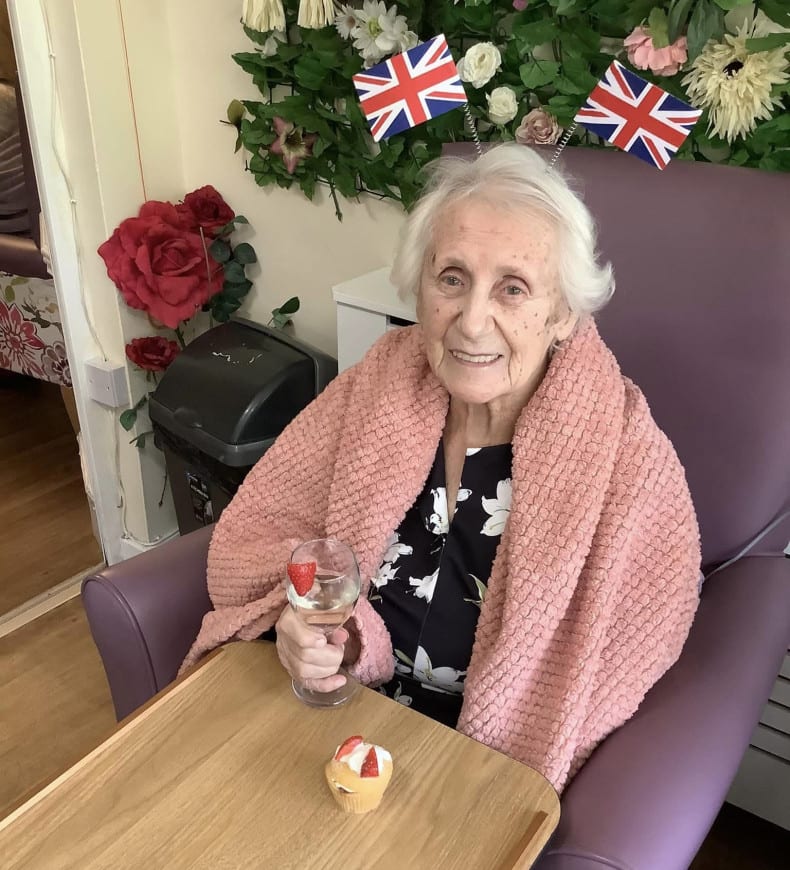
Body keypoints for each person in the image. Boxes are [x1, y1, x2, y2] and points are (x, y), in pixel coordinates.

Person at [181, 144, 701, 792]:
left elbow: (637, 640)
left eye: (513, 288)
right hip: (323, 717)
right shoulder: (375, 385)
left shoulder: (630, 460)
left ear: (564, 312)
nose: (472, 321)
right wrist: (317, 629)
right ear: (420, 283)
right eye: (452, 278)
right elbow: (256, 534)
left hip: (470, 774)